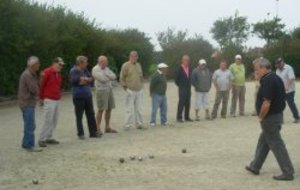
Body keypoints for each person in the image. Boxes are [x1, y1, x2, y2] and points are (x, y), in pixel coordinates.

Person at [246, 57, 294, 181]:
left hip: (270, 118)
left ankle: (288, 171)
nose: (255, 72)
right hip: (276, 116)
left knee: (277, 144)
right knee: (264, 141)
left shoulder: (268, 81)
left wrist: (261, 117)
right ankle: (255, 166)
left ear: (263, 68)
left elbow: (266, 103)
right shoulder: (275, 77)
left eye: (256, 69)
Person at [70, 56, 101, 139]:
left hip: (88, 95)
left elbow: (91, 79)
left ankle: (93, 132)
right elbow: (75, 81)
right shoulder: (74, 70)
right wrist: (85, 80)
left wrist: (85, 80)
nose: (87, 64)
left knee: (91, 114)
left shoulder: (85, 69)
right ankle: (80, 134)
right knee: (79, 115)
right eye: (85, 62)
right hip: (78, 96)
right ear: (80, 63)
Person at [38, 57, 64, 147]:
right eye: (59, 64)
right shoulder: (47, 72)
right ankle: (42, 139)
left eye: (61, 65)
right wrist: (41, 98)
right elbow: (41, 85)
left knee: (54, 119)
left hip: (56, 99)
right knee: (47, 119)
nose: (60, 66)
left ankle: (49, 137)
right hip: (48, 99)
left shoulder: (58, 74)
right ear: (54, 63)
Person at [18, 56, 42, 152]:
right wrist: (39, 93)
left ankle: (25, 143)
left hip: (26, 103)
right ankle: (29, 145)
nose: (39, 65)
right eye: (38, 64)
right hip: (27, 103)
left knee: (29, 124)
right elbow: (33, 89)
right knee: (30, 125)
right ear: (33, 65)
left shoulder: (30, 74)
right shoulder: (28, 75)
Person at [92, 55, 118, 134]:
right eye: (104, 61)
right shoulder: (95, 69)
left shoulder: (107, 68)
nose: (106, 63)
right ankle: (97, 128)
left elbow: (114, 76)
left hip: (109, 90)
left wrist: (107, 76)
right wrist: (108, 77)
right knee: (101, 109)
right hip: (101, 91)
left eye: (106, 61)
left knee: (109, 108)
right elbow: (102, 79)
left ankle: (107, 127)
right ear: (99, 61)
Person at [120, 51, 145, 130]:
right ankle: (127, 125)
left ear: (137, 57)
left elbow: (141, 76)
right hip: (130, 90)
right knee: (129, 109)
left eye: (136, 56)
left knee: (139, 109)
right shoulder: (125, 65)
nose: (134, 58)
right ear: (129, 57)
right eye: (132, 56)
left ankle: (139, 124)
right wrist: (125, 88)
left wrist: (142, 85)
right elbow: (121, 77)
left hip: (139, 90)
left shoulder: (139, 65)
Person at [275, 58, 300, 123]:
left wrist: (286, 86)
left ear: (283, 62)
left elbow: (291, 78)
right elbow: (277, 79)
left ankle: (297, 117)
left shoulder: (289, 68)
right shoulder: (277, 70)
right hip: (280, 91)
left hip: (290, 90)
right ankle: (280, 120)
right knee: (280, 104)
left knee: (291, 103)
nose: (279, 64)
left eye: (280, 62)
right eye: (278, 63)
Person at [149, 63, 169, 127]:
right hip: (156, 94)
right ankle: (152, 121)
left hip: (163, 95)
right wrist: (151, 93)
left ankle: (164, 121)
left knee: (164, 109)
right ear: (161, 68)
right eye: (165, 68)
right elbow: (152, 84)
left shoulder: (163, 74)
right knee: (154, 109)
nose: (166, 69)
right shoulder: (156, 75)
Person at [175, 55, 193, 123]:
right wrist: (181, 86)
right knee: (181, 103)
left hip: (188, 88)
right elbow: (176, 80)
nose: (187, 61)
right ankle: (179, 117)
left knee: (188, 103)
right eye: (185, 60)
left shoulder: (190, 68)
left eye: (188, 60)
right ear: (182, 60)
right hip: (182, 88)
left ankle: (187, 117)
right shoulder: (179, 68)